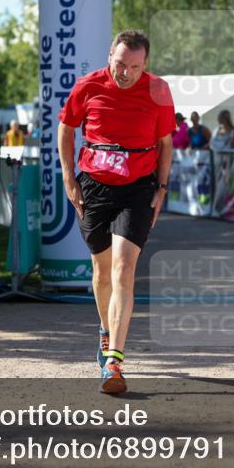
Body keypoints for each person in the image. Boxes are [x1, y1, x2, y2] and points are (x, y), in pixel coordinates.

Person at [58, 30, 174, 395]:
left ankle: (114, 363)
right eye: (121, 64)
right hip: (95, 185)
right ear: (110, 55)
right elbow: (66, 128)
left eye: (135, 67)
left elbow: (165, 142)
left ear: (146, 64)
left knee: (124, 266)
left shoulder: (158, 91)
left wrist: (162, 187)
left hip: (138, 187)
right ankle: (106, 331)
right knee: (102, 271)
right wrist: (68, 178)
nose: (126, 73)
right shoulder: (87, 86)